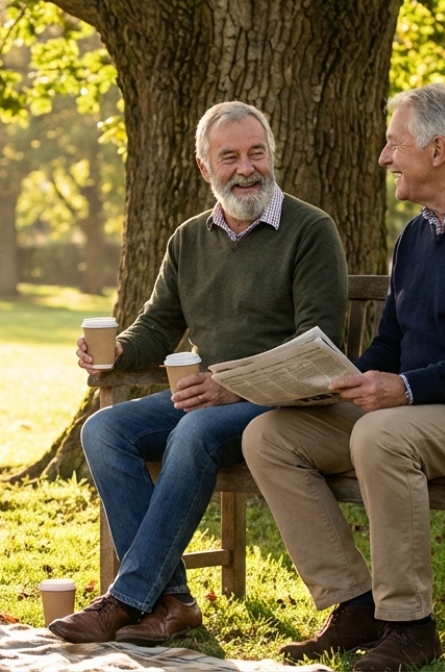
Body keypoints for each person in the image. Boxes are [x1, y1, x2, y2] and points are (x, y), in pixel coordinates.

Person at [242, 83, 445, 672]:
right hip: (419, 414)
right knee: (270, 435)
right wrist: (330, 381)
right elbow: (391, 342)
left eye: (394, 145)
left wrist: (405, 389)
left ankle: (410, 626)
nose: (385, 158)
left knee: (379, 435)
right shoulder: (417, 233)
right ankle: (354, 605)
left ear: (437, 150)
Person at [48, 101, 348, 646]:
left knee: (193, 429)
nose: (246, 168)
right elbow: (158, 327)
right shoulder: (189, 238)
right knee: (103, 430)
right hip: (209, 400)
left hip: (281, 405)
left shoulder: (310, 230)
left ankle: (126, 599)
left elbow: (317, 347)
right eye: (229, 157)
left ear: (271, 155)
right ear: (205, 169)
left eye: (256, 153)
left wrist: (230, 385)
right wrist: (116, 350)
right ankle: (176, 601)